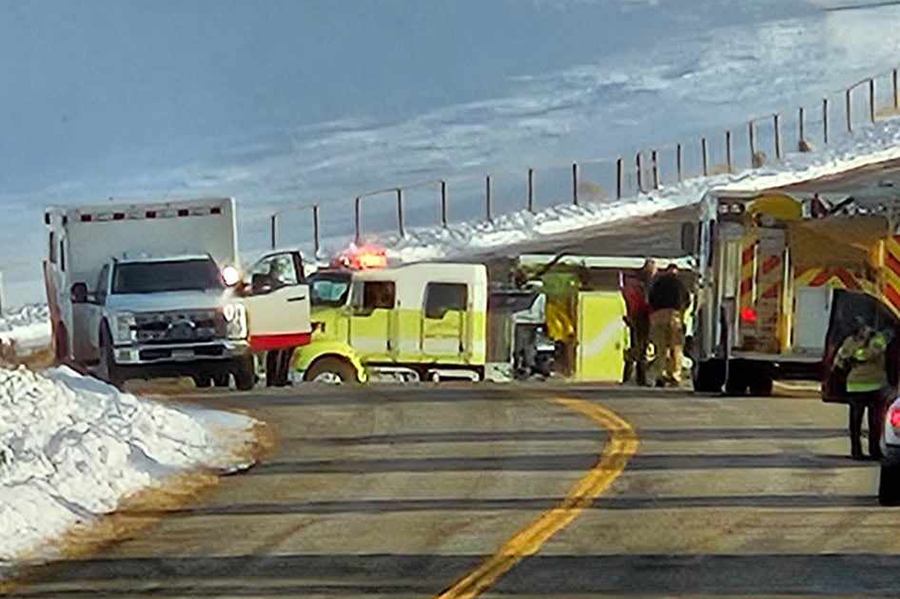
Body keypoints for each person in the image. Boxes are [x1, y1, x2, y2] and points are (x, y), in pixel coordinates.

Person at [834, 320, 892, 460]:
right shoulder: (873, 339)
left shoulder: (857, 341)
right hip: (866, 386)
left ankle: (866, 450)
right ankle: (863, 451)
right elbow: (845, 358)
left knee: (870, 421)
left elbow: (844, 357)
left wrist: (852, 356)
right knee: (863, 420)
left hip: (865, 385)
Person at [647, 263, 690, 387]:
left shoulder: (658, 283)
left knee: (660, 349)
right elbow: (686, 301)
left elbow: (651, 299)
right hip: (673, 316)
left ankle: (656, 375)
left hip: (657, 317)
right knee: (676, 348)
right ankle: (674, 376)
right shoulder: (679, 284)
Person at [621, 259, 656, 385]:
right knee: (641, 346)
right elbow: (642, 302)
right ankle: (639, 376)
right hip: (641, 317)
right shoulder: (643, 286)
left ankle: (630, 374)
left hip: (635, 316)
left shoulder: (633, 285)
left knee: (639, 345)